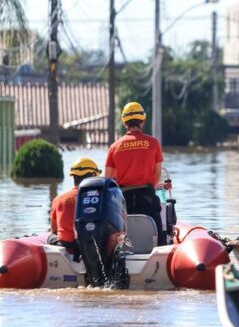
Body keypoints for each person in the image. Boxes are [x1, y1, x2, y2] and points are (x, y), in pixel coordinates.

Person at [105, 101, 165, 245]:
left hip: (122, 199)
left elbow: (107, 180)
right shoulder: (154, 143)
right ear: (142, 121)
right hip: (147, 197)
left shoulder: (114, 147)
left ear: (124, 122)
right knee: (159, 233)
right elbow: (156, 176)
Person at [49, 158, 101, 249]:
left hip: (64, 244)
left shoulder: (58, 199)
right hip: (91, 247)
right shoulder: (100, 199)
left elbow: (54, 230)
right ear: (94, 177)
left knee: (49, 236)